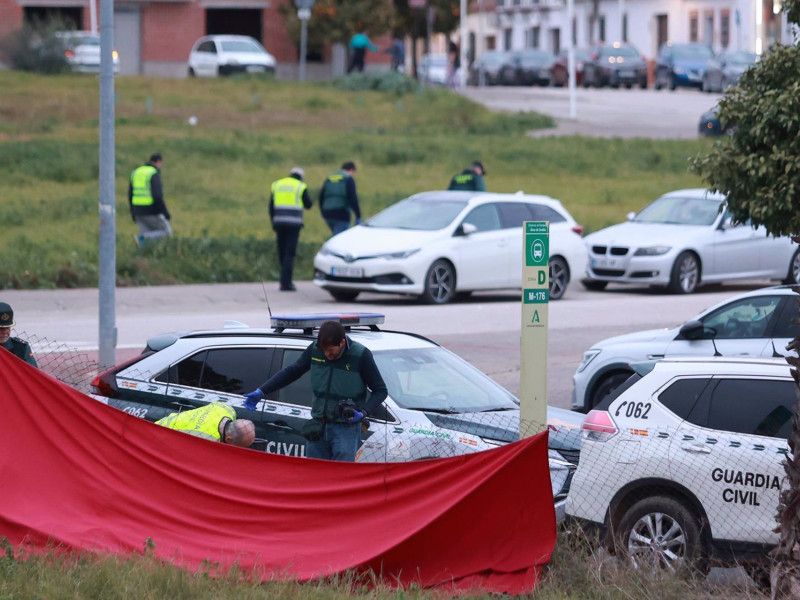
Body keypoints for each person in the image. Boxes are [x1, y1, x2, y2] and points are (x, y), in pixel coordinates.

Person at [242, 321, 387, 462]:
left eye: (331, 351)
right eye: (324, 351)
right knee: (316, 477)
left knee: (341, 478)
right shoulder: (316, 349)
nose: (327, 355)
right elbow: (293, 371)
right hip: (317, 427)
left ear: (342, 342)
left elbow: (380, 390)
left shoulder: (361, 355)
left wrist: (363, 413)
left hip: (346, 429)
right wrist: (262, 391)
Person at [269, 167, 313, 292]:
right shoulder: (300, 186)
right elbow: (308, 204)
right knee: (290, 253)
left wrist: (273, 221)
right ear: (301, 176)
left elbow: (270, 206)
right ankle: (286, 283)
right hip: (294, 225)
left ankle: (283, 280)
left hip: (279, 223)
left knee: (282, 251)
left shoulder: (277, 184)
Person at [156, 402, 256, 447]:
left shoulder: (226, 409)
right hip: (158, 436)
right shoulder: (209, 440)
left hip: (161, 424)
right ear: (229, 439)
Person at [129, 153, 172, 247]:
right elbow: (157, 196)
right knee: (166, 232)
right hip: (151, 211)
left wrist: (132, 211)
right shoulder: (153, 174)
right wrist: (165, 212)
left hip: (137, 211)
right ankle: (142, 238)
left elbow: (130, 194)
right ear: (158, 162)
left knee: (146, 243)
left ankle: (144, 258)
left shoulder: (136, 172)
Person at [319, 161, 361, 235]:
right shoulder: (348, 179)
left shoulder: (329, 178)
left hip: (327, 213)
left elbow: (321, 196)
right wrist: (358, 215)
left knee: (336, 235)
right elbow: (353, 198)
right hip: (341, 213)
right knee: (341, 238)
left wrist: (322, 211)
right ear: (351, 170)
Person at [0, 302, 37, 367]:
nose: (5, 332)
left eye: (8, 328)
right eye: (1, 328)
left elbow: (33, 372)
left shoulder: (21, 347)